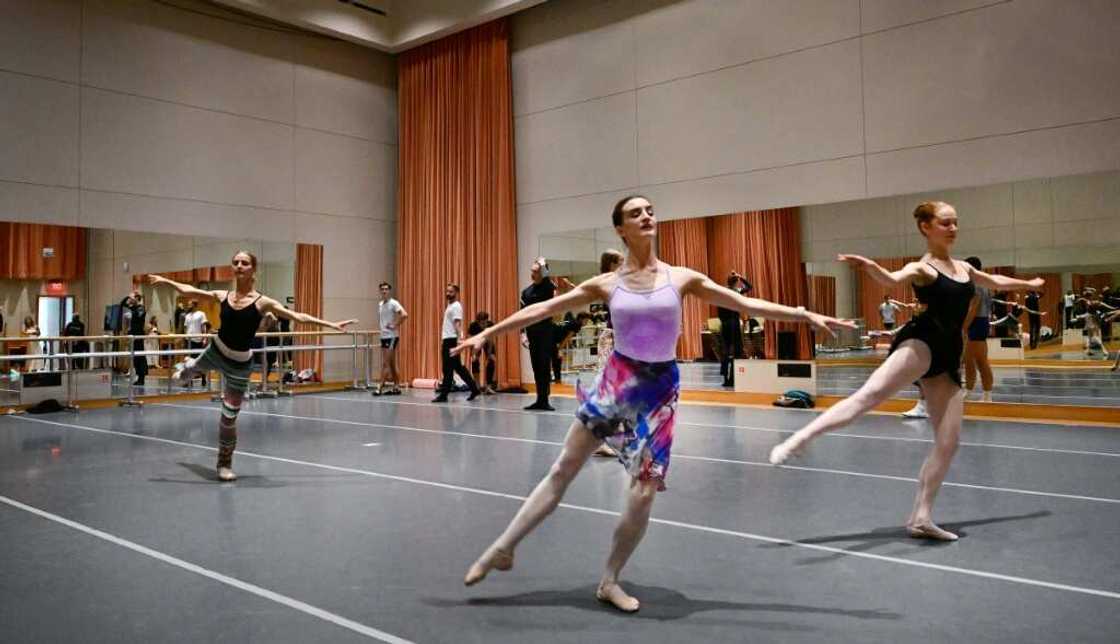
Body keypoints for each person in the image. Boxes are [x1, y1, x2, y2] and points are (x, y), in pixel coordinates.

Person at [456, 195, 850, 611]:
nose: (646, 216)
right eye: (635, 213)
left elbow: (746, 303)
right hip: (618, 382)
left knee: (644, 492)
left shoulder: (681, 278)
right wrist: (489, 333)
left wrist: (804, 314)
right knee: (563, 469)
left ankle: (609, 580)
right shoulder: (606, 284)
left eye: (649, 210)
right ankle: (502, 547)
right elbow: (545, 308)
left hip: (659, 390)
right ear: (620, 229)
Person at [770, 201, 1043, 541]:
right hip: (923, 341)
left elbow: (994, 280)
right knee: (868, 396)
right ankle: (800, 439)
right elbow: (890, 279)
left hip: (948, 353)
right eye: (945, 223)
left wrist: (1028, 285)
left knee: (949, 441)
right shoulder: (923, 268)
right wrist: (870, 266)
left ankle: (921, 517)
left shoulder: (964, 268)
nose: (953, 228)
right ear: (926, 227)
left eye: (956, 222)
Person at [150, 250, 356, 482]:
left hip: (240, 364)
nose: (239, 265)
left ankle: (224, 463)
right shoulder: (222, 295)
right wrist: (167, 281)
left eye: (244, 263)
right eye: (235, 262)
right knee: (186, 375)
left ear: (253, 269)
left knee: (228, 418)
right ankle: (189, 368)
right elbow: (191, 291)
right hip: (215, 351)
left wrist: (332, 324)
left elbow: (298, 316)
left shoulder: (262, 302)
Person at [432, 283, 481, 403]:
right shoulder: (450, 306)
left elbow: (457, 323)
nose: (448, 294)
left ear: (456, 293)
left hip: (451, 340)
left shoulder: (456, 306)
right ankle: (474, 389)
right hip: (449, 339)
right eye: (447, 291)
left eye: (451, 292)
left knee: (448, 368)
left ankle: (444, 395)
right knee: (457, 368)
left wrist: (460, 338)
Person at [522, 257, 559, 411]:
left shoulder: (548, 288)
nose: (533, 273)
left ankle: (545, 399)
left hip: (545, 333)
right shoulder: (526, 292)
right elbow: (521, 315)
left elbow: (548, 278)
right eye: (532, 271)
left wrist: (543, 264)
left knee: (544, 366)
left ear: (542, 273)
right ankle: (539, 399)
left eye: (536, 271)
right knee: (536, 366)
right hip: (531, 334)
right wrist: (522, 334)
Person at [962, 257, 994, 402]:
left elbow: (974, 307)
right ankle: (969, 392)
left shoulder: (976, 284)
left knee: (980, 361)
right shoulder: (983, 283)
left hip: (977, 322)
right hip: (981, 322)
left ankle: (987, 395)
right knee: (969, 360)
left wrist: (964, 326)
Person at [375, 282, 408, 396]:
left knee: (385, 363)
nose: (384, 291)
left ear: (389, 291)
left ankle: (379, 387)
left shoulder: (394, 303)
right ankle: (396, 386)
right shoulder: (380, 304)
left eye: (386, 289)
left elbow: (404, 315)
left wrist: (395, 325)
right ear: (380, 291)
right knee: (392, 363)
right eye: (382, 289)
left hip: (392, 336)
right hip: (383, 336)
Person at [717, 272, 748, 387]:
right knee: (737, 352)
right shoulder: (737, 293)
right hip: (734, 324)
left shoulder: (721, 293)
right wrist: (741, 277)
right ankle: (734, 378)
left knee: (725, 353)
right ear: (736, 282)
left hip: (724, 325)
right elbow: (749, 287)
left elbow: (719, 311)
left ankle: (725, 379)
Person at [122, 292, 148, 386]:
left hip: (138, 335)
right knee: (135, 357)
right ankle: (139, 378)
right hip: (132, 334)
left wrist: (132, 307)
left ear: (137, 299)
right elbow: (122, 304)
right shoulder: (133, 308)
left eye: (133, 298)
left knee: (140, 357)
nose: (131, 300)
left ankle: (142, 378)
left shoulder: (141, 308)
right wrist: (128, 296)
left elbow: (139, 316)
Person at [468, 311, 497, 394]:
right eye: (482, 323)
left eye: (485, 322)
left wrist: (489, 354)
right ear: (478, 322)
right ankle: (477, 386)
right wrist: (474, 354)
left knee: (492, 360)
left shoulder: (490, 325)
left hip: (487, 341)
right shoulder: (473, 326)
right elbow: (471, 341)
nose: (484, 325)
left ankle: (488, 386)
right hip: (476, 342)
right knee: (474, 361)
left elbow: (491, 340)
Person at [183, 300, 209, 387]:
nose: (188, 306)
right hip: (188, 340)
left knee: (199, 361)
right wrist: (184, 338)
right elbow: (186, 328)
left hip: (197, 340)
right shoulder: (187, 316)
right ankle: (188, 381)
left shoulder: (201, 314)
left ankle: (203, 378)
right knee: (187, 361)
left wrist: (204, 338)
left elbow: (203, 326)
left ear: (194, 305)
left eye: (189, 304)